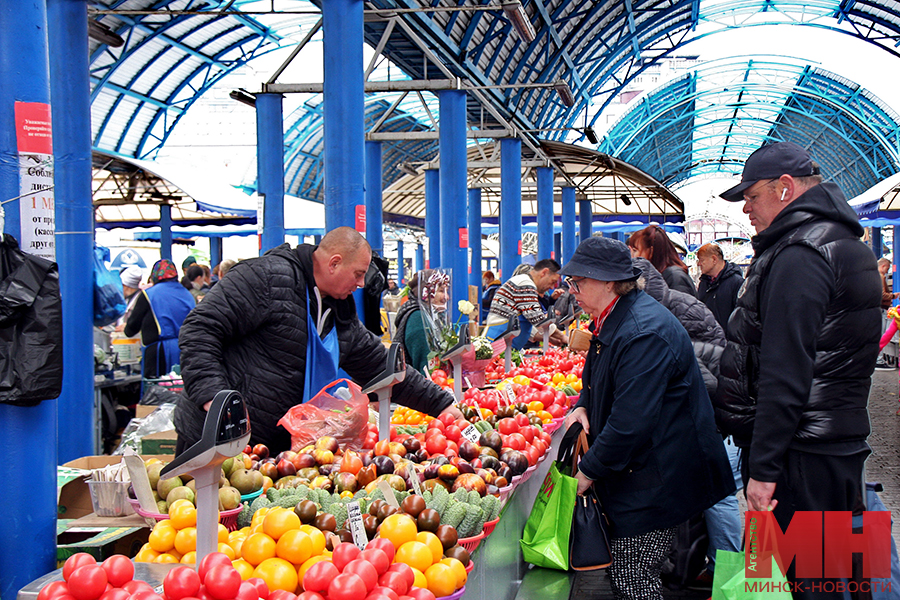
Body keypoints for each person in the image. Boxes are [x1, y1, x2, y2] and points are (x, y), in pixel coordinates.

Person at [715, 141, 882, 598]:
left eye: (751, 196)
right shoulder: (846, 243)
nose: (746, 209)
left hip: (799, 458)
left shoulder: (800, 254)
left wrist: (763, 470)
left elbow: (785, 371)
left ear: (785, 188)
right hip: (837, 446)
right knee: (840, 575)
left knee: (804, 584)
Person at [175, 227, 461, 454]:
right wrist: (215, 401)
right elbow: (199, 329)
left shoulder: (339, 310)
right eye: (358, 274)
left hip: (271, 447)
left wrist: (442, 405)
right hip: (214, 439)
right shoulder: (265, 278)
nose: (361, 284)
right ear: (334, 263)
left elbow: (381, 365)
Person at [561, 237, 734, 600]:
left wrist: (588, 472)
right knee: (630, 572)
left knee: (633, 574)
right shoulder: (615, 317)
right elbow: (601, 378)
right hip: (646, 471)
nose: (572, 290)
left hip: (660, 475)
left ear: (609, 282)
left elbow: (631, 422)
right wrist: (583, 403)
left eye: (579, 282)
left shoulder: (642, 331)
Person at [634, 256, 742, 588]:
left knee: (718, 493)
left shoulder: (659, 318)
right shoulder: (664, 307)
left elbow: (703, 377)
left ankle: (729, 575)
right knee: (713, 492)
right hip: (713, 412)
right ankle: (715, 566)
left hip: (715, 417)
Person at [124, 259, 196, 379]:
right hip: (185, 352)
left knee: (157, 392)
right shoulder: (187, 294)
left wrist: (126, 329)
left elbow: (131, 328)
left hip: (158, 354)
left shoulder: (149, 294)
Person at [483, 259, 561, 349]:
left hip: (507, 345)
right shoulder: (525, 283)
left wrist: (550, 339)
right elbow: (538, 319)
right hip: (498, 344)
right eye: (553, 281)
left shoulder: (526, 283)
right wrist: (563, 337)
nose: (551, 287)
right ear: (544, 272)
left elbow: (526, 323)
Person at [393, 270, 449, 374]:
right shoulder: (418, 319)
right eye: (441, 291)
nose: (447, 297)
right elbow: (426, 368)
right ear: (426, 292)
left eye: (447, 291)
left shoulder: (431, 315)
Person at [627, 225, 697, 296]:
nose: (632, 256)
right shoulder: (660, 274)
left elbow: (682, 305)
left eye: (635, 251)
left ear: (651, 251)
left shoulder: (674, 276)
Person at [695, 243, 744, 330]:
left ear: (714, 259)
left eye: (701, 260)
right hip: (708, 337)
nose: (699, 264)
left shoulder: (736, 282)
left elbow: (740, 317)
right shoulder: (704, 282)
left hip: (727, 339)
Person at [875, 257, 899, 370]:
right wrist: (893, 296)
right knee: (882, 334)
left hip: (879, 308)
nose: (887, 271)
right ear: (883, 266)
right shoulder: (880, 277)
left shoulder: (874, 275)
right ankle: (878, 359)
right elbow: (882, 294)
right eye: (888, 268)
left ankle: (877, 358)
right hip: (881, 308)